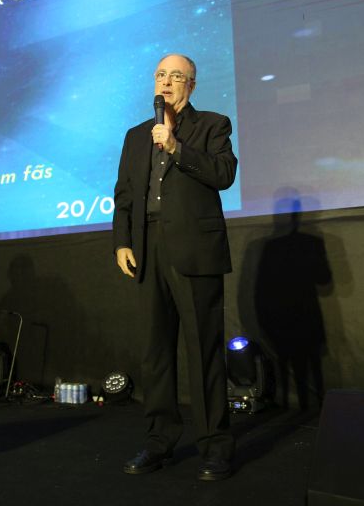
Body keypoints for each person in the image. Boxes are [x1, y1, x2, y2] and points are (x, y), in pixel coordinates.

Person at [113, 53, 238, 481]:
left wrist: (176, 147)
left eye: (176, 76)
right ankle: (158, 441)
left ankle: (215, 446)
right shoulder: (135, 135)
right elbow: (124, 194)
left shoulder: (212, 125)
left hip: (195, 250)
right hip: (147, 249)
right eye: (160, 75)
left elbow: (224, 174)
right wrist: (122, 241)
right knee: (156, 353)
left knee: (203, 351)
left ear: (191, 85)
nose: (166, 82)